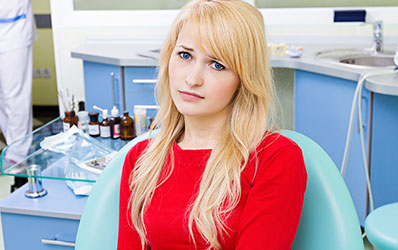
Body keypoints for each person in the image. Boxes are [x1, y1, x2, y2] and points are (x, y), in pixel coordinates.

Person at [118, 0, 307, 249]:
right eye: (185, 55)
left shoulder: (274, 158)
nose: (193, 79)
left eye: (217, 65)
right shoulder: (141, 159)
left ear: (244, 79)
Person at [0, 0, 36, 190]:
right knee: (3, 99)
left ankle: (18, 156)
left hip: (14, 30)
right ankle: (11, 150)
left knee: (15, 96)